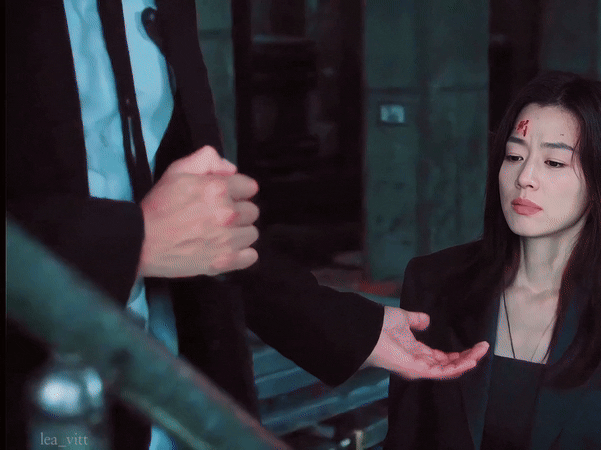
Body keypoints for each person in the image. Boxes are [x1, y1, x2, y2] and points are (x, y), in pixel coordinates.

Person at [5, 1, 488, 449]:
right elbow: (155, 230)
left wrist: (347, 326)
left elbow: (200, 222)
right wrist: (130, 241)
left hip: (181, 400)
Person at [384, 71, 601, 449]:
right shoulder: (433, 284)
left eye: (554, 162)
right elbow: (406, 437)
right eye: (514, 156)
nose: (524, 177)